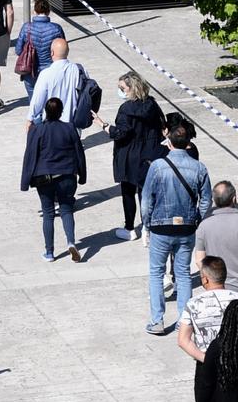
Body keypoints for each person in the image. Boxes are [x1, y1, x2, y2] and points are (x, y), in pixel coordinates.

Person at [139, 121, 212, 336]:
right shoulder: (199, 168)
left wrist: (146, 224)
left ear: (169, 142)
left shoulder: (158, 166)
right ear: (188, 144)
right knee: (183, 273)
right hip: (187, 227)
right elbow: (206, 200)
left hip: (161, 226)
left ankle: (157, 320)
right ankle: (184, 321)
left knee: (156, 272)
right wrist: (197, 218)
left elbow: (146, 200)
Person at [176, 256, 238, 402]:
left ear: (204, 278)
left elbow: (183, 340)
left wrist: (207, 358)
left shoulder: (194, 304)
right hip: (236, 366)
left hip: (205, 368)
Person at [101, 70, 166, 238]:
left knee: (128, 192)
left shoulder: (126, 109)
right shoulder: (152, 105)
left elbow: (121, 133)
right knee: (146, 193)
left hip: (129, 156)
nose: (120, 91)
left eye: (122, 88)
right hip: (149, 155)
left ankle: (130, 228)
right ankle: (147, 226)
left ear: (132, 88)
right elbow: (161, 126)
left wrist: (105, 126)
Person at [21, 93, 86, 261]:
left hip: (44, 177)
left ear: (45, 112)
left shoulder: (37, 130)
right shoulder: (70, 128)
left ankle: (49, 252)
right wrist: (82, 175)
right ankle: (71, 242)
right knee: (66, 209)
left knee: (48, 213)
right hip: (67, 176)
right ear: (61, 112)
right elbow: (79, 153)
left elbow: (30, 156)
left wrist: (25, 181)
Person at [28, 35, 91, 123]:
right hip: (73, 124)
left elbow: (37, 100)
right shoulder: (80, 69)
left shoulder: (46, 74)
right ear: (68, 52)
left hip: (52, 124)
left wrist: (30, 119)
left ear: (52, 52)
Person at [13, 0, 66, 96]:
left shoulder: (26, 27)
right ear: (48, 11)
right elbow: (63, 49)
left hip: (30, 70)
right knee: (50, 98)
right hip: (51, 69)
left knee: (33, 100)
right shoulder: (56, 28)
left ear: (34, 11)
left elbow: (18, 50)